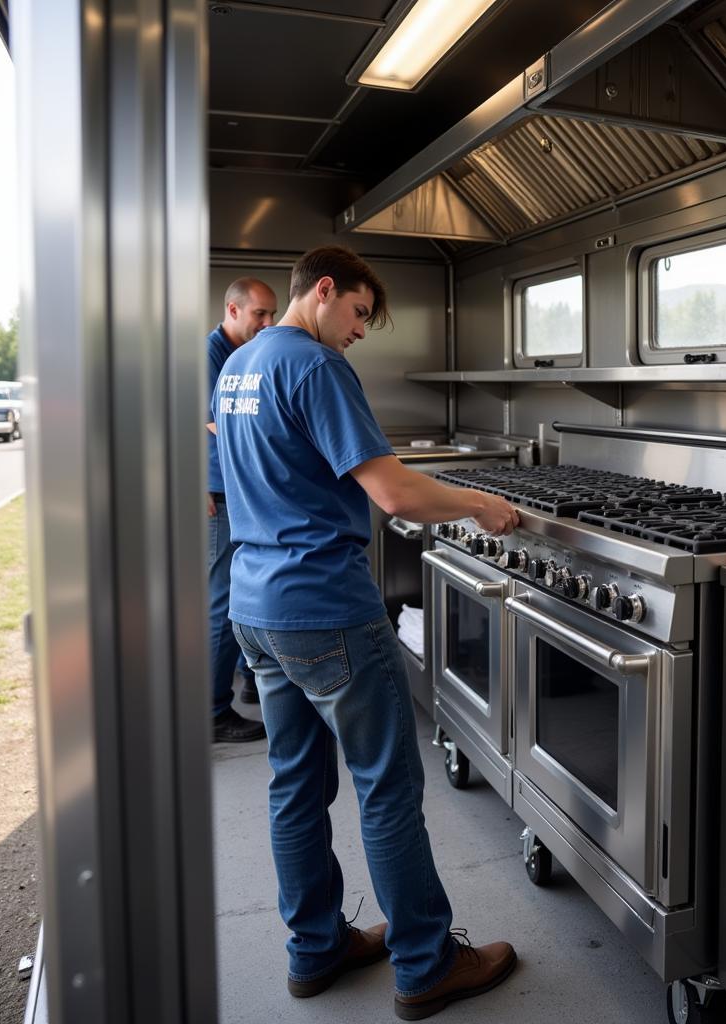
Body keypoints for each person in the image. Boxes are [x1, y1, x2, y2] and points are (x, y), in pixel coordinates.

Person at [210, 245, 520, 1019]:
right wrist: (479, 505)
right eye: (356, 313)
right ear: (323, 291)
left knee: (295, 786)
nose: (358, 332)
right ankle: (426, 962)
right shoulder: (313, 367)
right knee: (387, 785)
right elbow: (392, 493)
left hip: (257, 606)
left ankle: (313, 950)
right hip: (322, 606)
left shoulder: (239, 367)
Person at [207, 277, 277, 742]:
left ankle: (250, 682)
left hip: (237, 490)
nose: (269, 323)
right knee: (223, 602)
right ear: (233, 311)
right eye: (260, 315)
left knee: (238, 594)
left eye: (273, 314)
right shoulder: (209, 356)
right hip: (218, 494)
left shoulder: (240, 355)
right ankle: (212, 713)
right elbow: (218, 423)